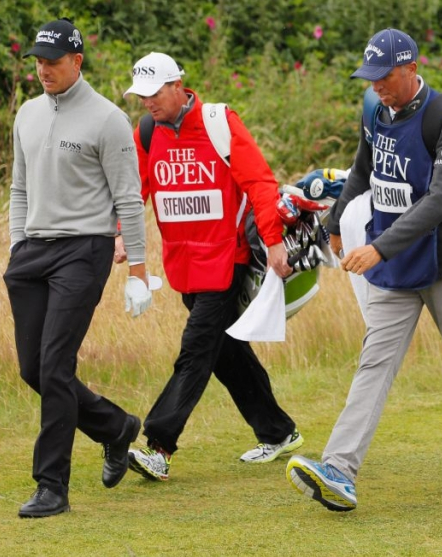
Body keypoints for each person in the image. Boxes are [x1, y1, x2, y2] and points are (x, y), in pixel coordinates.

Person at [285, 28, 442, 512]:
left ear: (410, 67)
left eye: (384, 77)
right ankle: (339, 470)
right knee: (374, 361)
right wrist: (337, 223)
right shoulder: (376, 109)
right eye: (371, 78)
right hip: (395, 262)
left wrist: (378, 249)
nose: (377, 86)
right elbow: (362, 169)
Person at [117, 52, 303, 481]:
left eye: (153, 93)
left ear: (178, 85)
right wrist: (121, 234)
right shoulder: (146, 132)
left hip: (225, 259)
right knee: (225, 351)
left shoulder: (220, 123)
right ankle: (279, 431)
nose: (146, 102)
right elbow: (136, 188)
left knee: (197, 349)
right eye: (140, 95)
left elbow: (259, 182)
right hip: (182, 262)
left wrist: (275, 243)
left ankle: (159, 446)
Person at [3, 18, 154, 519]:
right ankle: (115, 427)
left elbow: (128, 199)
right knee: (34, 369)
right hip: (32, 252)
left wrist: (138, 268)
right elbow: (19, 189)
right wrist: (15, 246)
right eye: (39, 62)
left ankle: (52, 487)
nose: (44, 70)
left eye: (53, 61)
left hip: (83, 251)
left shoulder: (107, 119)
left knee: (55, 366)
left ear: (77, 61)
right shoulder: (27, 114)